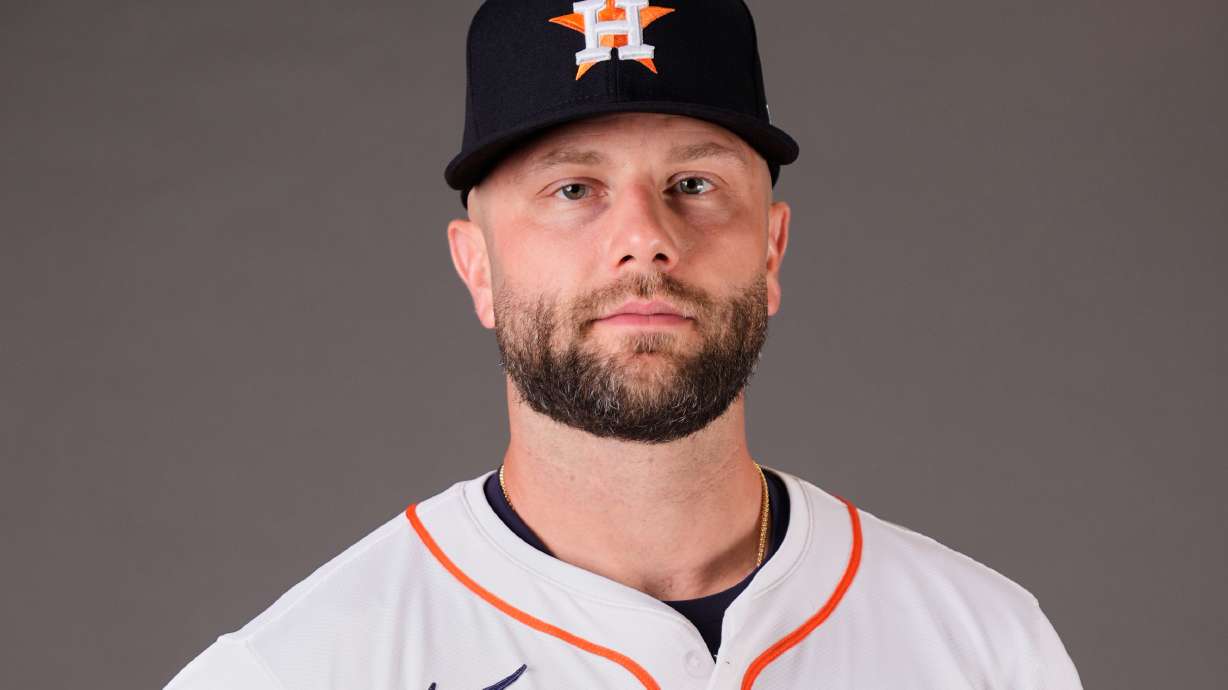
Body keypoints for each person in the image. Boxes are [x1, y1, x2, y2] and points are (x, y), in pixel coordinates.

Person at [165, 1, 1083, 688]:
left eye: (693, 181)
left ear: (771, 250)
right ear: (476, 266)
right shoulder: (297, 670)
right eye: (573, 189)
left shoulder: (986, 648)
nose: (644, 238)